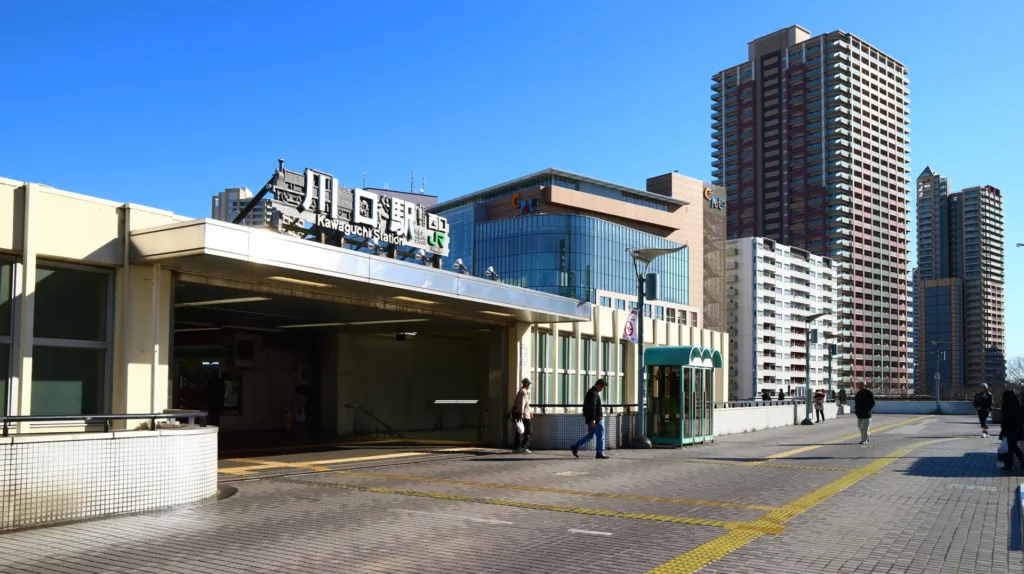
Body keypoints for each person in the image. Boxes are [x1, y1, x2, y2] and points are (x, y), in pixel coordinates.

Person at [571, 379, 609, 460]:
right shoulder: (594, 394)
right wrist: (593, 419)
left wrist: (590, 419)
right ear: (599, 385)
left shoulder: (591, 392)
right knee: (600, 435)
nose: (602, 389)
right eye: (602, 387)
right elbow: (593, 407)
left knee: (591, 435)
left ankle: (576, 446)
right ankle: (600, 453)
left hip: (591, 418)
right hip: (596, 419)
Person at [999, 389, 1024, 470]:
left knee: (1010, 448)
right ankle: (1020, 461)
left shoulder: (1006, 406)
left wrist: (1003, 430)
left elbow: (1004, 420)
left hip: (1008, 430)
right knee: (1013, 446)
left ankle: (1009, 464)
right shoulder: (1018, 405)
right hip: (1018, 429)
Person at [511, 378, 533, 454]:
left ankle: (518, 447)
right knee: (526, 430)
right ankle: (523, 447)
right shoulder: (522, 392)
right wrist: (521, 414)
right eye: (529, 384)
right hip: (523, 415)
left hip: (525, 414)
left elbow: (527, 404)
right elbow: (521, 404)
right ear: (526, 384)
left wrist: (530, 412)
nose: (529, 385)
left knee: (520, 431)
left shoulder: (525, 392)